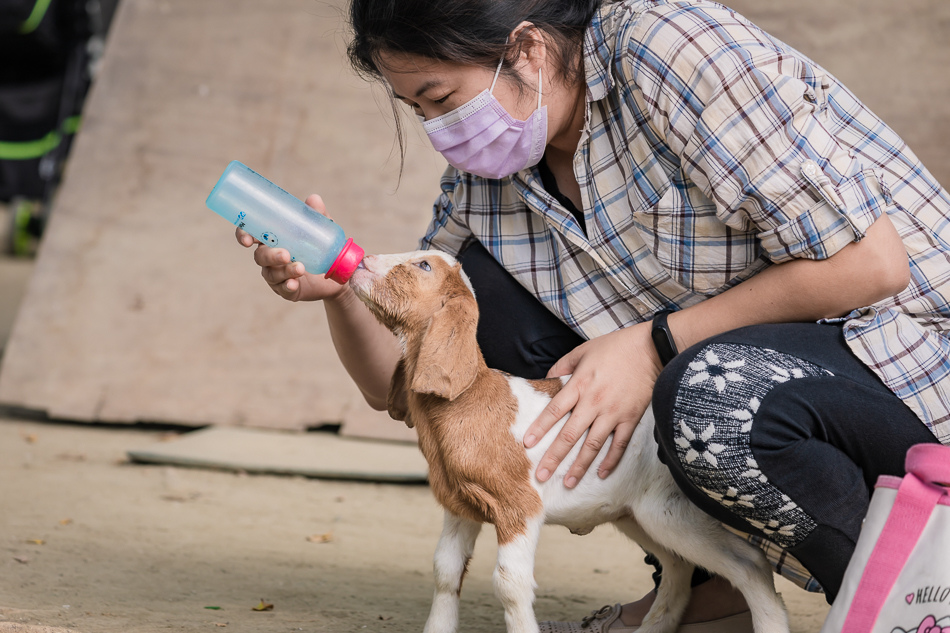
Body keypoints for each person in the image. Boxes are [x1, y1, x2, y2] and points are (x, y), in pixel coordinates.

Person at [236, 0, 950, 630]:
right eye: (417, 110)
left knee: (705, 391)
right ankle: (703, 593)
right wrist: (339, 287)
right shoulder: (494, 171)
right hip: (753, 363)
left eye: (439, 97)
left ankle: (914, 601)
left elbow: (871, 266)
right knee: (486, 298)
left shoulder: (672, 48)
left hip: (904, 362)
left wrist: (654, 344)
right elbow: (411, 377)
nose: (437, 129)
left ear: (528, 50)